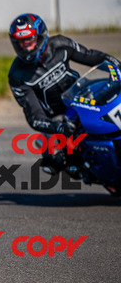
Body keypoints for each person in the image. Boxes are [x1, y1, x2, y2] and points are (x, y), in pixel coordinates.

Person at [7, 13, 121, 175]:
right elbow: (34, 116)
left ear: (41, 36)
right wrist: (58, 127)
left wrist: (117, 65)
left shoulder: (60, 44)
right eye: (21, 43)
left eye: (30, 40)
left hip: (83, 98)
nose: (26, 47)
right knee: (55, 163)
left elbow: (93, 56)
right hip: (58, 118)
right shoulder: (17, 75)